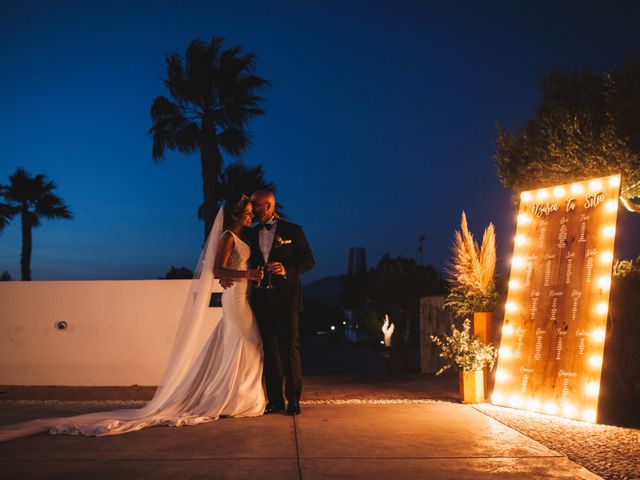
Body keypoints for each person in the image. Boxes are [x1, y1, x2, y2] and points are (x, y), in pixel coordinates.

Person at [0, 194, 266, 440]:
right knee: (247, 341)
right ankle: (235, 399)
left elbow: (228, 271)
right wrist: (247, 275)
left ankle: (237, 397)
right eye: (247, 212)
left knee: (245, 344)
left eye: (252, 213)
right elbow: (217, 270)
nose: (250, 216)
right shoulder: (227, 236)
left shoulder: (242, 237)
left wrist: (244, 276)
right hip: (235, 298)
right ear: (234, 215)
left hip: (242, 295)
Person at [246, 190, 315, 415]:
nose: (251, 208)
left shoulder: (293, 231)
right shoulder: (251, 234)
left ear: (267, 206)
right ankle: (275, 401)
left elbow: (309, 261)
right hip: (262, 300)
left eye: (254, 205)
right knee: (269, 351)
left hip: (287, 301)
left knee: (289, 350)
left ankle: (294, 400)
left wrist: (287, 270)